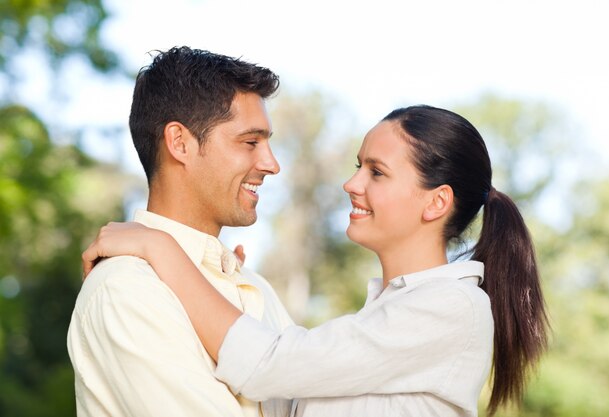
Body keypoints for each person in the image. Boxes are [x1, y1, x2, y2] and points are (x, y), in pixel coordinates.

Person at [83, 105, 550, 417]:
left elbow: (268, 366)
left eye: (377, 172)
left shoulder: (450, 307)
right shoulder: (393, 313)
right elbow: (283, 396)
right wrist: (228, 281)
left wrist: (160, 248)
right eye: (358, 165)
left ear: (435, 203)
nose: (352, 184)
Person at [67, 46, 294, 417]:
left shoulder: (256, 290)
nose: (271, 164)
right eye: (250, 142)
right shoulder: (126, 288)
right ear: (180, 143)